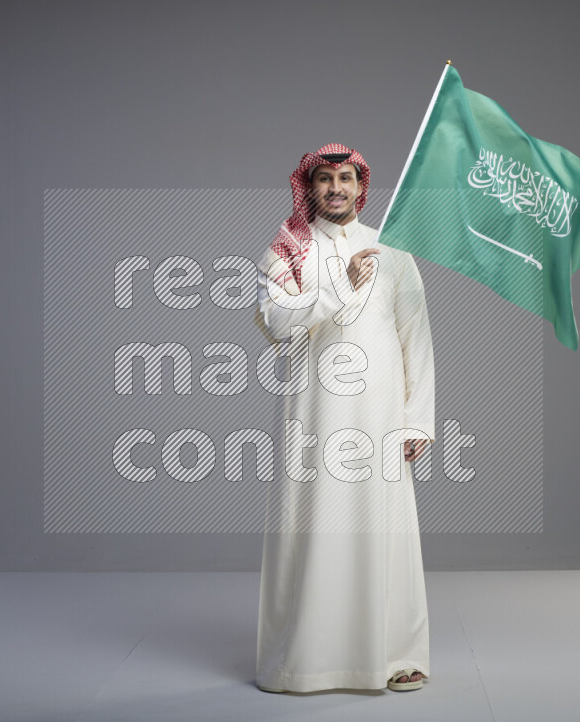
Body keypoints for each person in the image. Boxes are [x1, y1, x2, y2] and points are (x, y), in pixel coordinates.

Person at [253, 142, 435, 693]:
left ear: (361, 187)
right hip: (313, 417)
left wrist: (417, 420)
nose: (336, 188)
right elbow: (274, 320)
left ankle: (397, 654)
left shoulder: (392, 247)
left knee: (387, 530)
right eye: (325, 179)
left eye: (346, 179)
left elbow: (416, 337)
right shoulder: (286, 250)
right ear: (308, 188)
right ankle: (304, 659)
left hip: (379, 418)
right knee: (312, 528)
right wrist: (338, 287)